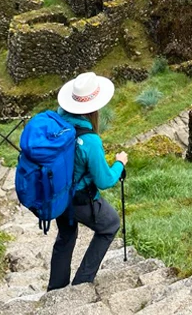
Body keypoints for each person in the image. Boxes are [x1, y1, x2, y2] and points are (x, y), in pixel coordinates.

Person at [47, 71, 128, 291]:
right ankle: (82, 282)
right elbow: (104, 180)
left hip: (57, 195)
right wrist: (120, 163)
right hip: (80, 200)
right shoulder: (90, 140)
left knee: (66, 235)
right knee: (110, 224)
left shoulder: (58, 119)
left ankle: (56, 288)